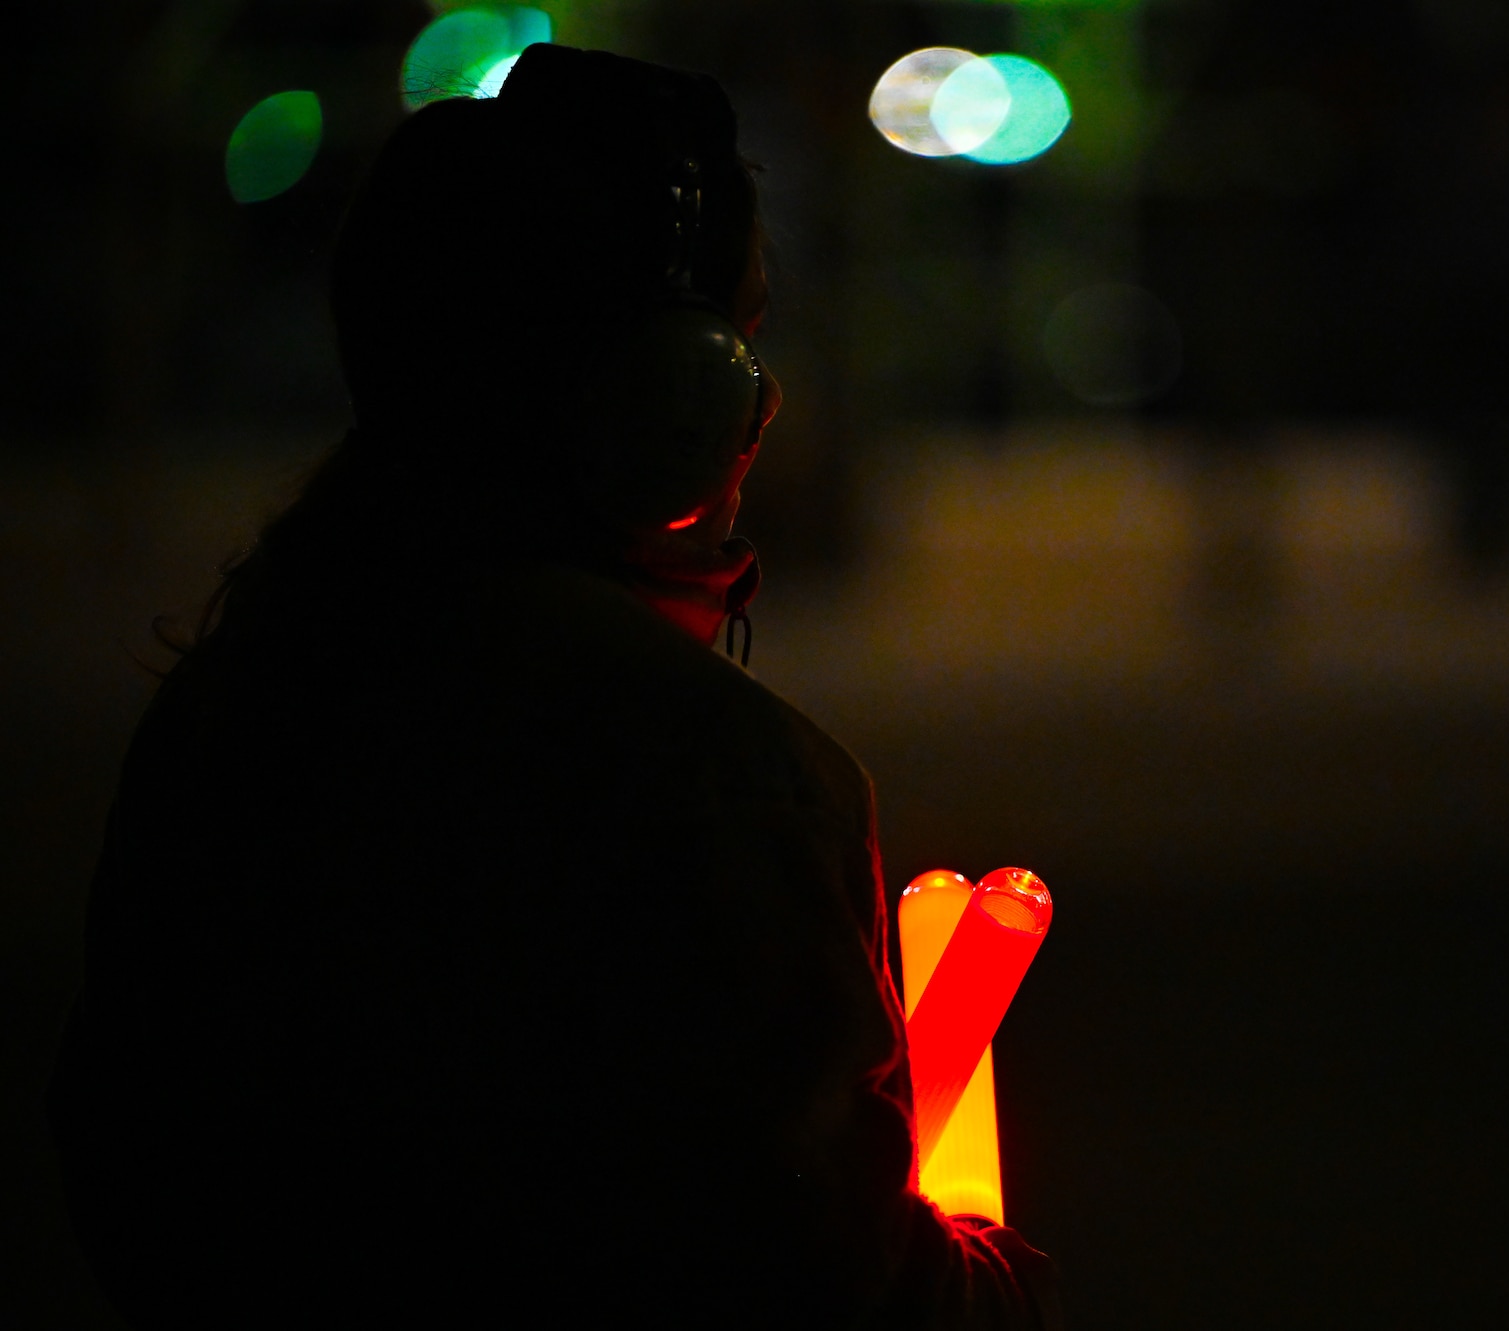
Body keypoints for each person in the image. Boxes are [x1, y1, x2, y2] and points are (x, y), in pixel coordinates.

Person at [48, 43, 1059, 1328]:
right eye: (735, 342)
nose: (761, 399)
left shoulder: (229, 708)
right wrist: (990, 1282)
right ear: (663, 397)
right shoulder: (711, 776)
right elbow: (816, 1279)